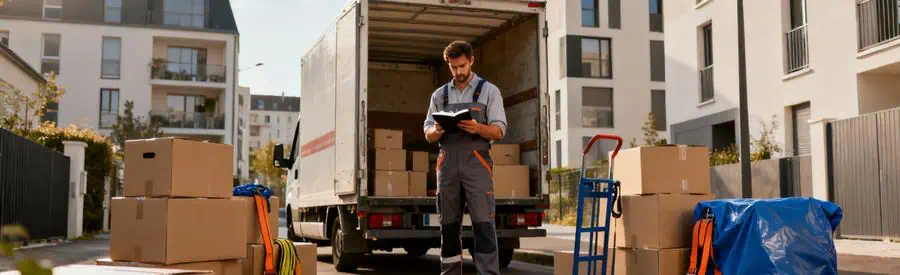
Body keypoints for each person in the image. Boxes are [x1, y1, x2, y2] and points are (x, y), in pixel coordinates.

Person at [423, 40, 507, 275]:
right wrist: (436, 131)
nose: (458, 72)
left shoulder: (490, 91)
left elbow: (499, 130)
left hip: (477, 163)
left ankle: (488, 273)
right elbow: (427, 130)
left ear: (471, 61)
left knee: (483, 225)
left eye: (461, 66)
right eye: (453, 67)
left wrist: (477, 128)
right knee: (448, 227)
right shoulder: (439, 95)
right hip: (447, 163)